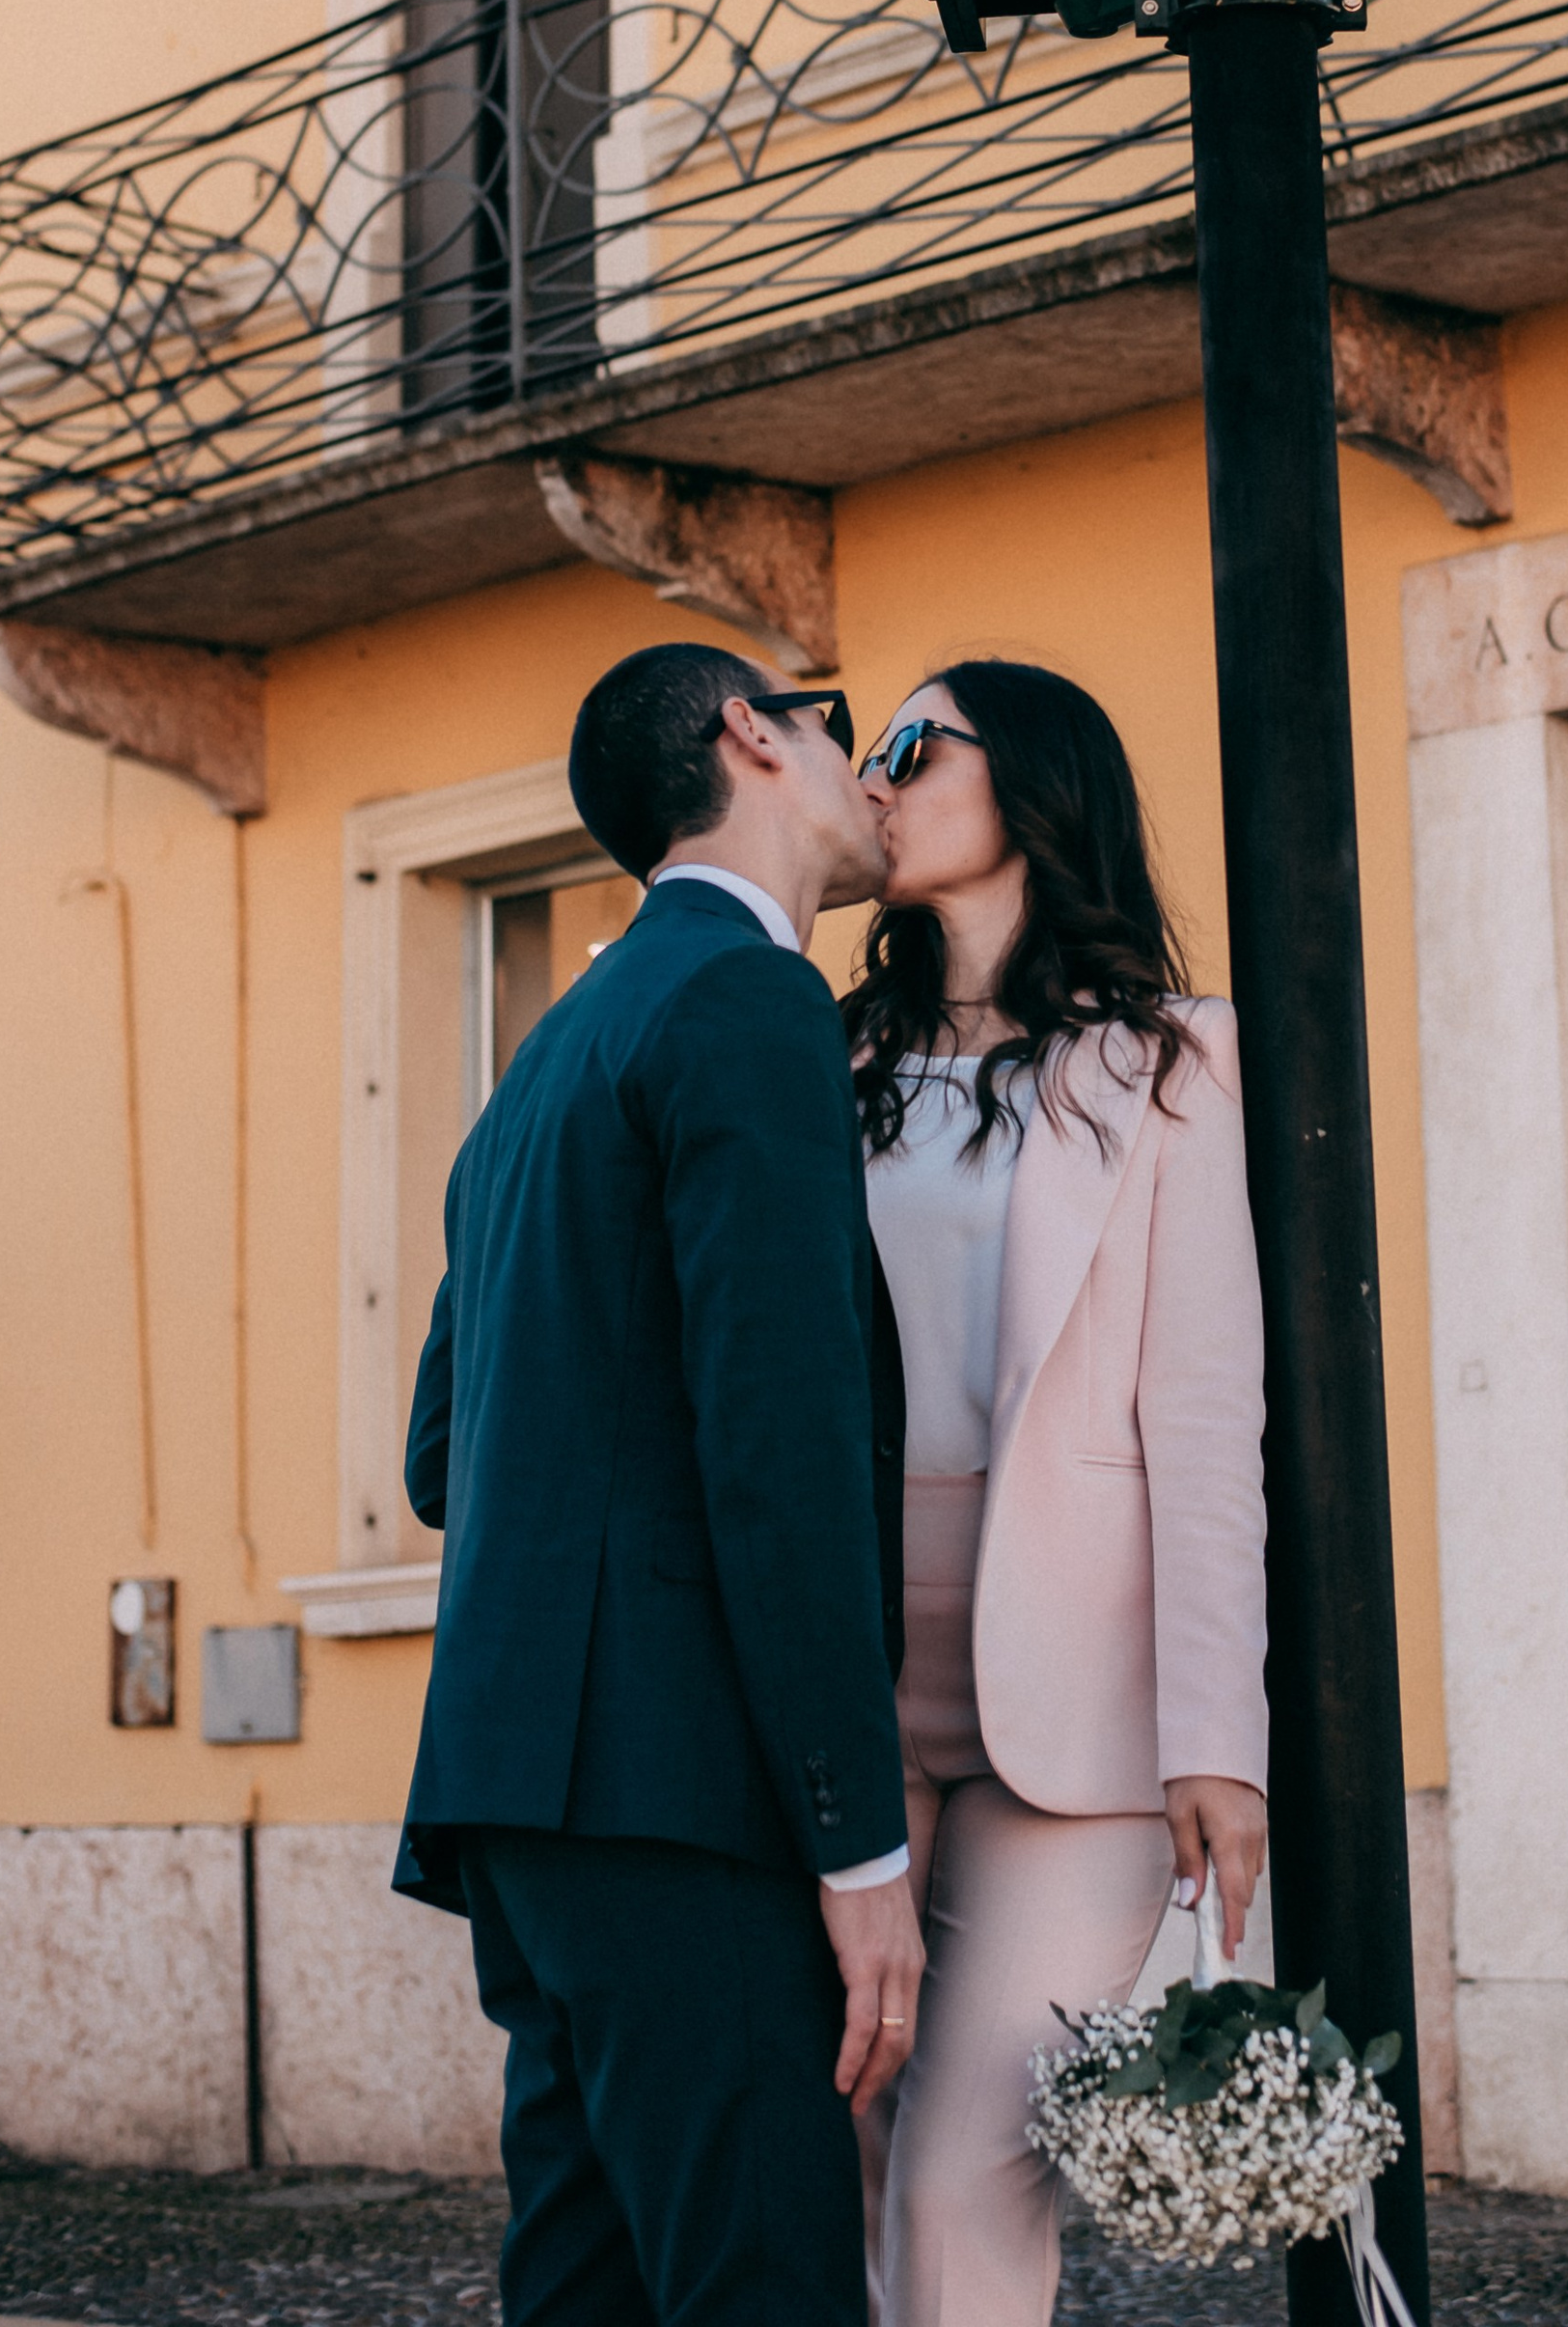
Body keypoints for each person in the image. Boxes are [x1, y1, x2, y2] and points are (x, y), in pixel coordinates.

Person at [395, 640, 926, 2327]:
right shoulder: (747, 999)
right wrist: (859, 1854)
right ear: (750, 735)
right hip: (686, 1794)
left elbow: (438, 1460)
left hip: (523, 1803)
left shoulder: (543, 1062)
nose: (871, 772)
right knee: (762, 2287)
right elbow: (780, 1455)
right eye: (848, 730)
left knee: (587, 2293)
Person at [849, 658, 1269, 2327]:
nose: (872, 777)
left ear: (1026, 785)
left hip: (1074, 1705)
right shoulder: (825, 1060)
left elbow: (1207, 1415)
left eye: (908, 745)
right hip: (843, 1680)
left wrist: (1213, 1738)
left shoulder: (1170, 1068)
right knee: (844, 2134)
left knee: (965, 2171)